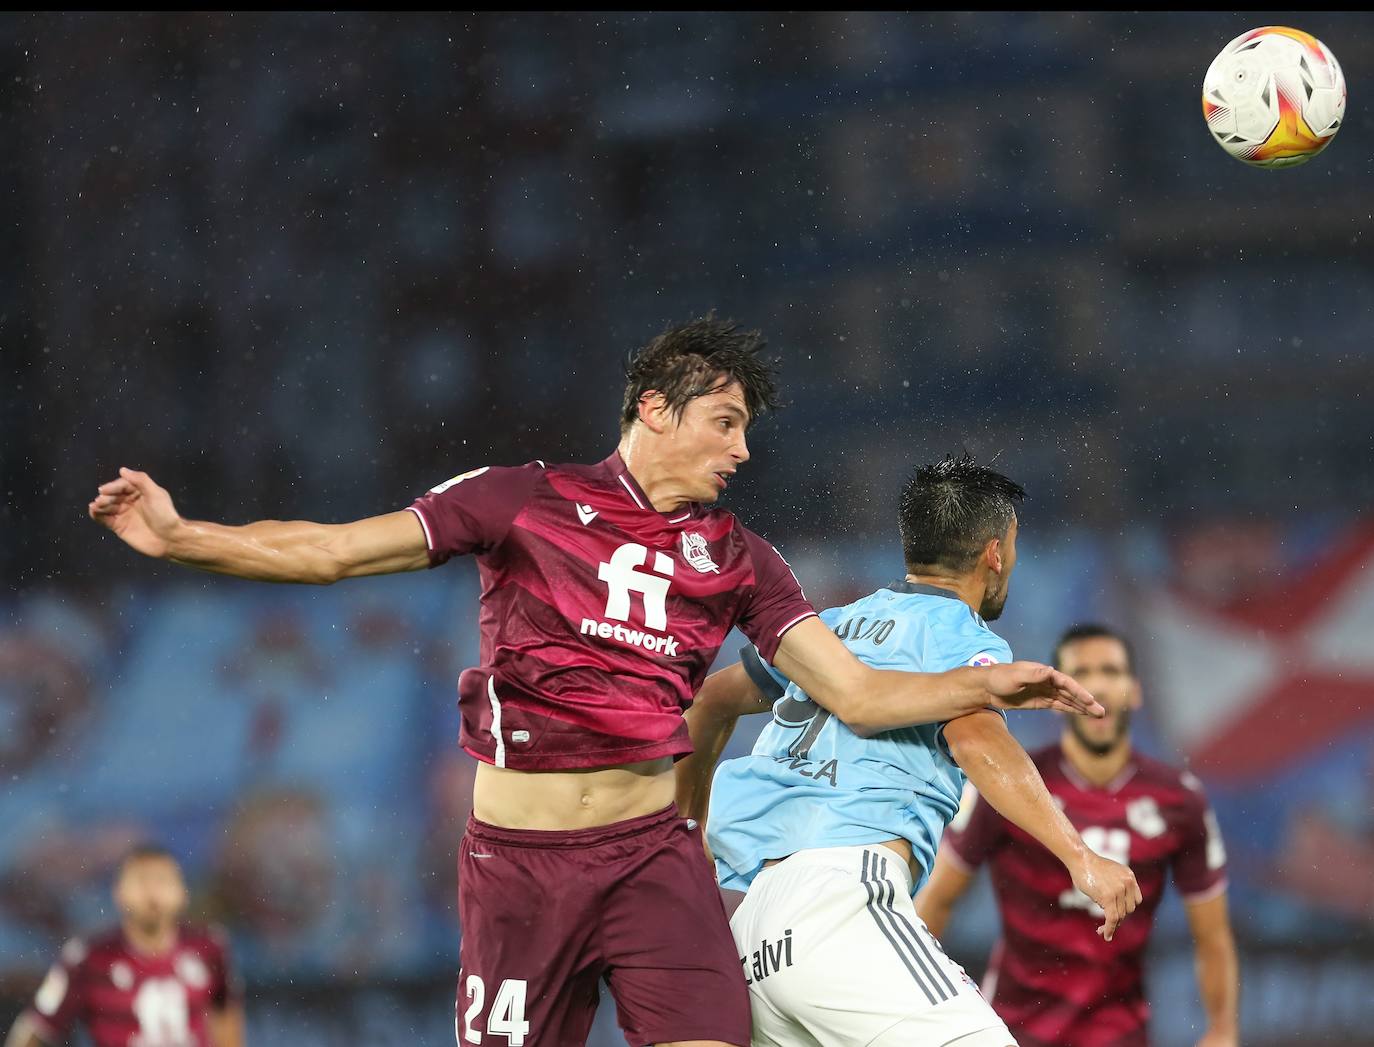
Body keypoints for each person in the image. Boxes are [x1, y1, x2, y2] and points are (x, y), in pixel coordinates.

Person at [88, 317, 1102, 1047]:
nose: (741, 450)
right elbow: (331, 552)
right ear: (654, 408)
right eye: (724, 421)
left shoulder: (742, 560)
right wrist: (182, 536)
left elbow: (865, 696)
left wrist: (985, 690)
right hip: (519, 868)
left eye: (748, 429)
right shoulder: (519, 502)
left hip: (652, 862)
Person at [676, 455, 1140, 1047]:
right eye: (1013, 547)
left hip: (754, 930)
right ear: (995, 553)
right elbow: (975, 738)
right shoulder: (960, 637)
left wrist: (687, 828)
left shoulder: (831, 626)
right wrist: (1080, 856)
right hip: (842, 897)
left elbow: (710, 700)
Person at [916, 624, 1239, 1047]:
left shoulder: (1179, 799)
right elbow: (935, 903)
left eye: (1111, 671)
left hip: (1120, 1034)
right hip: (1012, 1030)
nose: (1098, 686)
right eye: (1082, 673)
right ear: (1056, 698)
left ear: (1136, 691)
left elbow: (1213, 936)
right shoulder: (1007, 782)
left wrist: (1222, 1030)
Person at [5, 845, 244, 1047]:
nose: (152, 894)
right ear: (119, 892)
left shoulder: (209, 947)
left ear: (182, 892)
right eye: (141, 881)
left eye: (162, 880)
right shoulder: (89, 958)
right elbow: (37, 1029)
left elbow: (225, 1016)